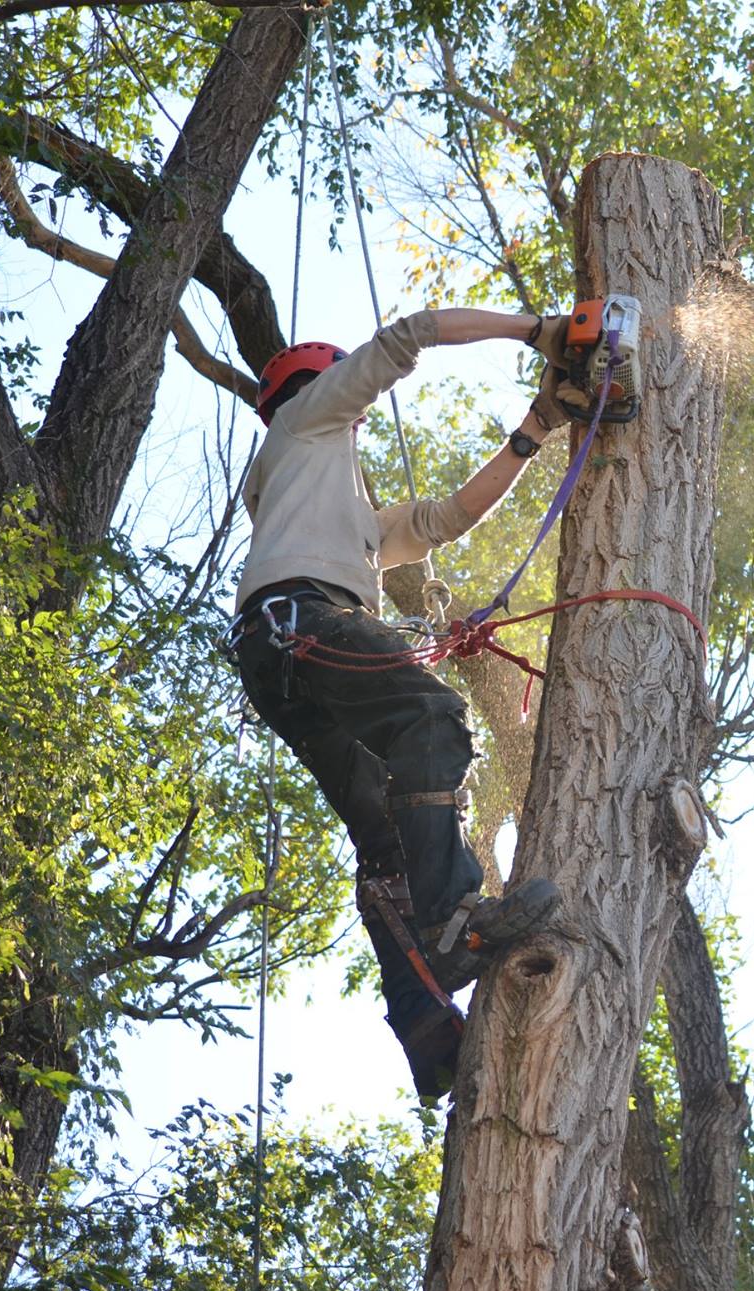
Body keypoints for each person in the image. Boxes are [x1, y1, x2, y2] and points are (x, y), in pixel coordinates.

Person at [224, 306, 576, 1098]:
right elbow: (405, 338)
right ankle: (456, 920)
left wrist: (537, 425)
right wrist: (537, 331)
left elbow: (442, 521)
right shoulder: (302, 426)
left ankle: (424, 1021)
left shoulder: (331, 511)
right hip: (302, 622)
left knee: (386, 842)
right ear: (310, 393)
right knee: (432, 715)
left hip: (282, 652)